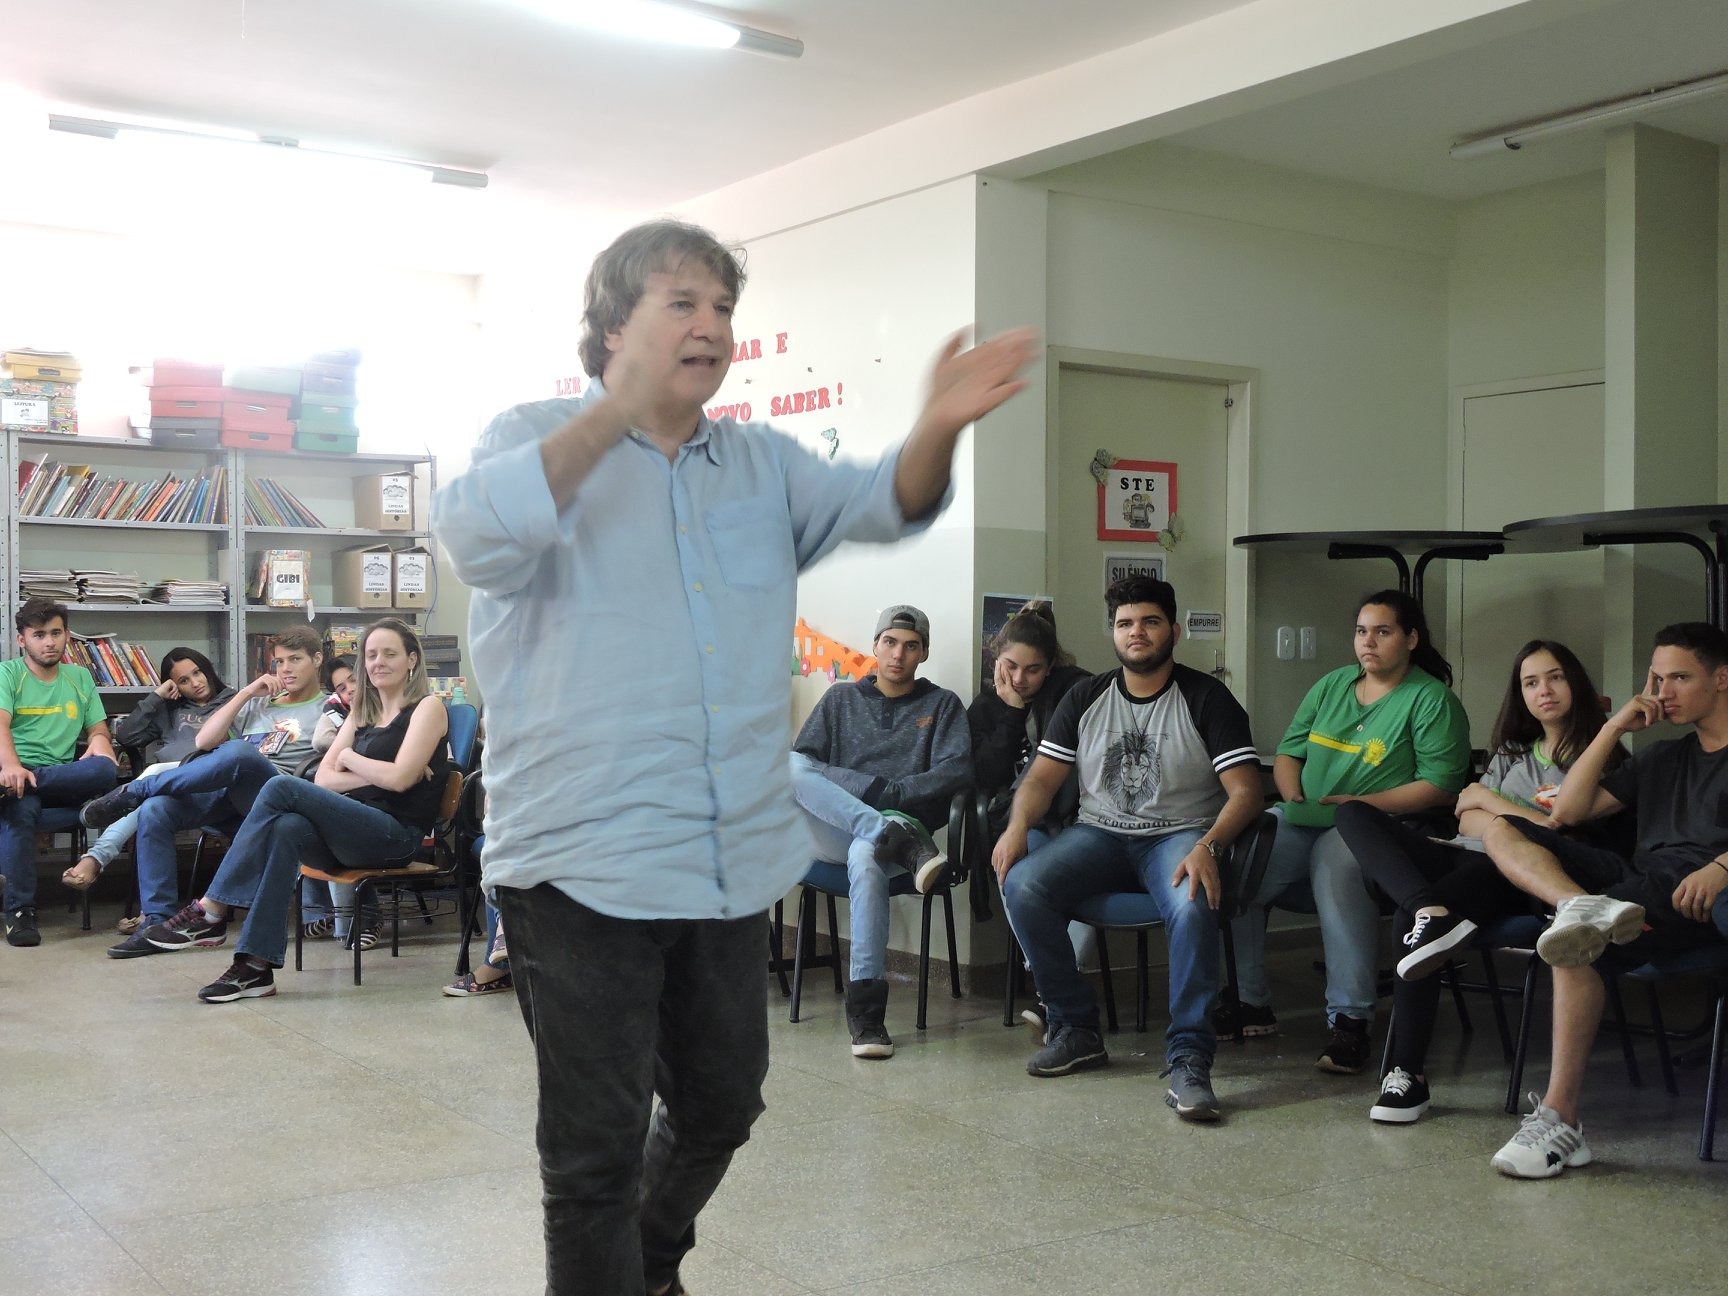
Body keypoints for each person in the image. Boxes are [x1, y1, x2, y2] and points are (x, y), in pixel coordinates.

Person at [432, 218, 1033, 1296]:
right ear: (613, 325)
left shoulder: (756, 464)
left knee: (720, 1104)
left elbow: (889, 497)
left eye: (723, 310)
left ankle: (648, 1264)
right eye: (682, 304)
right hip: (575, 862)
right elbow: (477, 537)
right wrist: (617, 410)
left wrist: (937, 423)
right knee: (593, 1153)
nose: (711, 328)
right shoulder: (524, 437)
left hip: (723, 856)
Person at [993, 575, 1262, 1120]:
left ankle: (1190, 1058)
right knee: (1023, 883)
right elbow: (1042, 781)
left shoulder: (1207, 698)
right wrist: (1017, 824)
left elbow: (1247, 791)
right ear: (1112, 634)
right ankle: (1075, 1027)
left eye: (1149, 622)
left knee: (1191, 903)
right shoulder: (1085, 696)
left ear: (1174, 630)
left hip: (1180, 835)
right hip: (1100, 834)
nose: (1136, 633)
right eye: (1125, 624)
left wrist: (1209, 845)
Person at [1334, 639, 1624, 1122]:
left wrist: (1494, 810)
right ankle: (1430, 906)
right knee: (1355, 816)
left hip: (1526, 879)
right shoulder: (1513, 751)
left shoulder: (1605, 758)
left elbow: (1555, 828)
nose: (1544, 691)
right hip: (1468, 858)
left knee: (1415, 910)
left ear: (1575, 682)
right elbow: (1464, 815)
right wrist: (1495, 814)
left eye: (1554, 677)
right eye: (1531, 683)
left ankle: (1406, 1074)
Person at [1480, 622, 1728, 1178]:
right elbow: (1566, 812)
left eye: (1680, 678)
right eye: (1657, 678)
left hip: (1694, 893)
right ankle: (1578, 904)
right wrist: (1614, 724)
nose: (1664, 692)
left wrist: (1722, 865)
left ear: (1722, 677)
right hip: (1639, 885)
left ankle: (1559, 1117)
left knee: (1573, 946)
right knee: (1502, 827)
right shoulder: (1663, 757)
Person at [131, 618, 448, 1001]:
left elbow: (398, 781)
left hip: (395, 836)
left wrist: (350, 756)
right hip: (351, 829)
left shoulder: (427, 708)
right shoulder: (363, 708)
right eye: (371, 654)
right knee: (286, 828)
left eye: (389, 653)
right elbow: (328, 780)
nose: (378, 662)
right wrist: (378, 772)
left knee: (281, 786)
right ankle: (255, 967)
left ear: (412, 659)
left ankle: (212, 909)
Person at [1229, 590, 1471, 1075]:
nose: (1369, 642)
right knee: (1240, 860)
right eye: (1362, 631)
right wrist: (1288, 787)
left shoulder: (1430, 699)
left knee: (1335, 866)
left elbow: (1442, 788)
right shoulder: (1332, 684)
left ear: (1411, 639)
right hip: (1303, 820)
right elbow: (1289, 750)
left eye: (1383, 632)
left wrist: (1362, 807)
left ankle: (1349, 1021)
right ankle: (1247, 1001)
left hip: (1378, 830)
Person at [790, 603, 973, 1058]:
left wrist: (894, 794)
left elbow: (958, 770)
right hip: (839, 826)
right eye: (889, 642)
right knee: (787, 766)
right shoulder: (840, 700)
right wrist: (869, 796)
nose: (898, 654)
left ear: (924, 654)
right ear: (875, 646)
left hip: (901, 825)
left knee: (866, 857)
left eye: (911, 646)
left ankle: (867, 1016)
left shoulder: (942, 704)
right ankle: (886, 833)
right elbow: (805, 764)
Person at [82, 624, 327, 958]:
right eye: (279, 662)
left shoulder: (328, 708)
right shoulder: (259, 704)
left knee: (240, 753)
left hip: (278, 795)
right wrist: (245, 693)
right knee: (156, 810)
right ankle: (158, 921)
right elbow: (204, 742)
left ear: (317, 659)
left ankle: (138, 789)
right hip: (231, 797)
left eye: (294, 660)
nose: (285, 669)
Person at [967, 599, 1092, 1031]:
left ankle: (1056, 986)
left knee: (1075, 872)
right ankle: (1052, 983)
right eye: (1011, 666)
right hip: (1021, 825)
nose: (1020, 679)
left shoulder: (1075, 691)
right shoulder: (986, 706)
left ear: (1052, 665)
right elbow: (984, 775)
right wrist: (1012, 712)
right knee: (1019, 866)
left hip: (1075, 816)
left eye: (1033, 670)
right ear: (996, 659)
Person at [59, 647, 236, 910]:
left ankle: (97, 852)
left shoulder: (233, 701)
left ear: (207, 669)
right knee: (150, 802)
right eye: (183, 681)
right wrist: (155, 696)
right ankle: (105, 866)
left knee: (151, 779)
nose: (195, 683)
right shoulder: (169, 711)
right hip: (173, 789)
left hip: (212, 782)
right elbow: (126, 737)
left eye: (198, 673)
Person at [0, 598, 120, 946]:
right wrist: (11, 767)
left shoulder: (80, 677)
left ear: (67, 635)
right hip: (14, 772)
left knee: (104, 772)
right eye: (39, 635)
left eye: (56, 633)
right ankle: (21, 911)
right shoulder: (8, 674)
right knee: (19, 809)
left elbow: (97, 729)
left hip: (60, 777)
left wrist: (101, 743)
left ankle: (17, 788)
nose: (49, 642)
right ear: (22, 639)